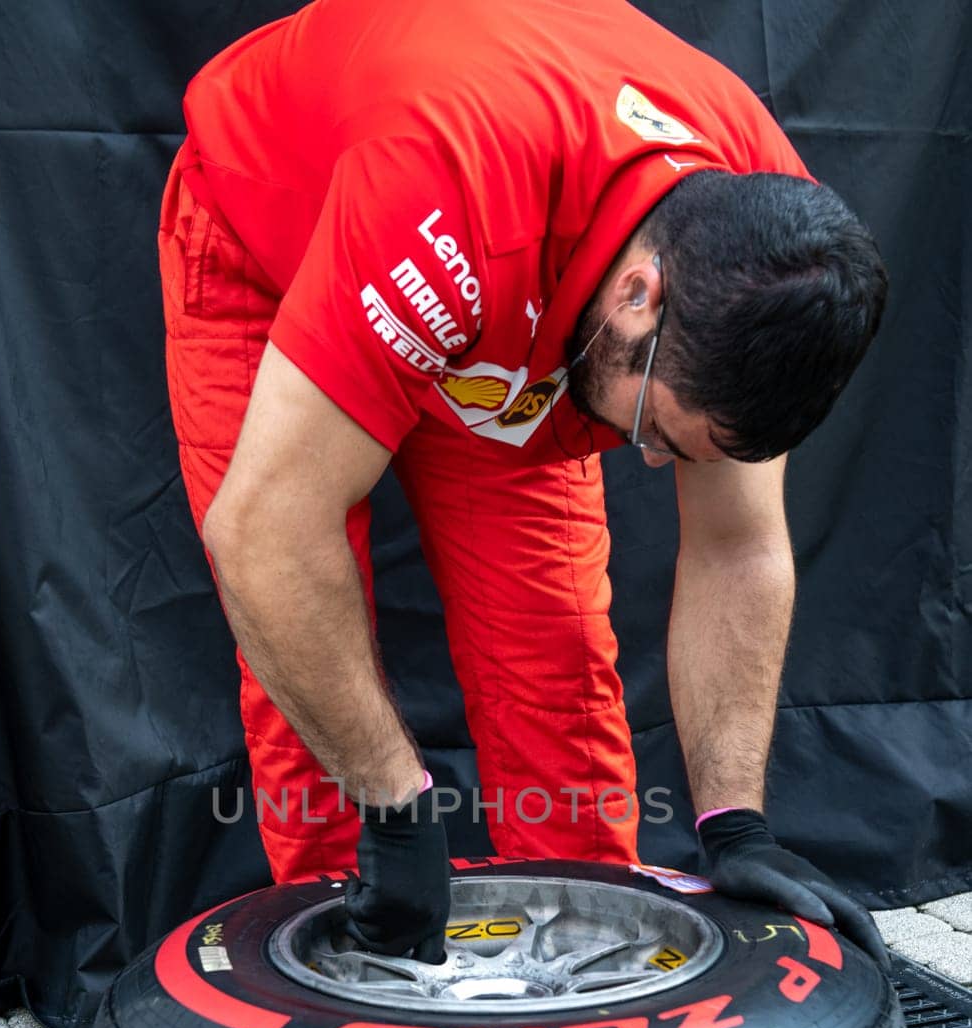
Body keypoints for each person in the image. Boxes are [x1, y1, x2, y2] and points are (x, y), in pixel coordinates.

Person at [157, 0, 891, 971]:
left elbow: (738, 544)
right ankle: (348, 995)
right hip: (282, 236)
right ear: (641, 295)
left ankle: (585, 990)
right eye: (650, 429)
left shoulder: (770, 260)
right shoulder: (445, 190)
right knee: (304, 673)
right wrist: (397, 809)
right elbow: (265, 536)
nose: (652, 462)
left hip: (515, 292)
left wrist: (732, 822)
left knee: (551, 669)